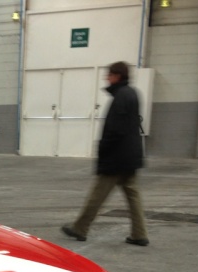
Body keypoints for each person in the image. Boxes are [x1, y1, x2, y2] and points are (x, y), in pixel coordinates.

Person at [62, 61, 149, 246]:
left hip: (117, 157)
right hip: (130, 155)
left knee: (97, 195)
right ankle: (139, 233)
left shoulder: (120, 97)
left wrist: (103, 150)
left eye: (109, 74)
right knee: (133, 196)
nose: (106, 78)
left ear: (117, 75)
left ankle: (80, 228)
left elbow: (114, 130)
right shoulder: (132, 93)